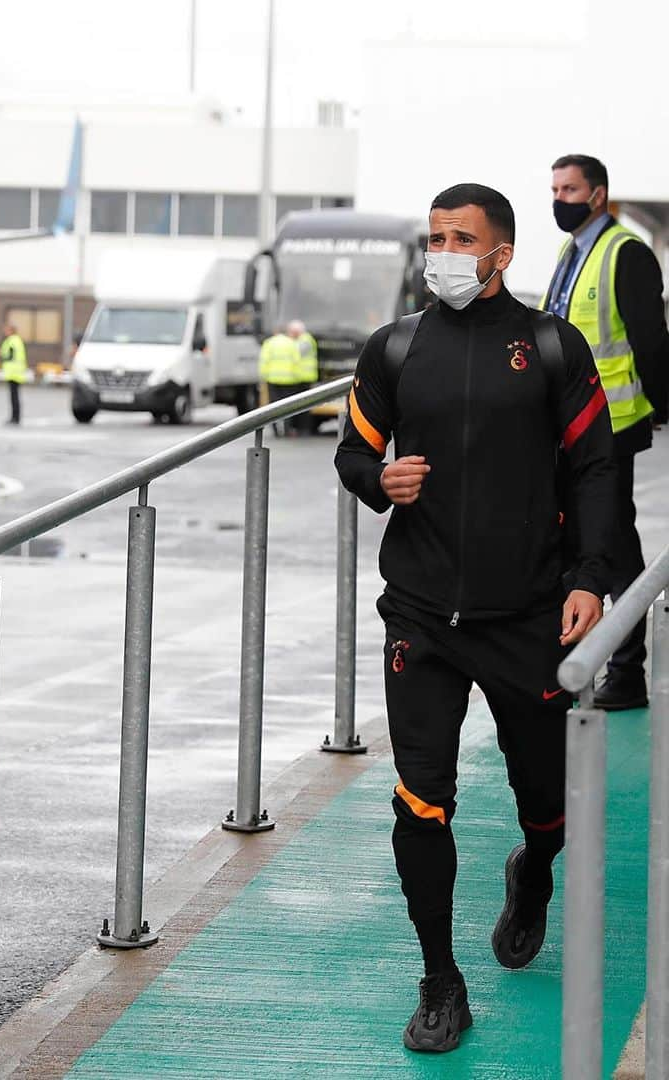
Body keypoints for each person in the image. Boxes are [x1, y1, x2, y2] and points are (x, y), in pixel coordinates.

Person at [335, 183, 615, 1053]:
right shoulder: (395, 347)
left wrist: (591, 577)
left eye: (461, 238)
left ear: (500, 254)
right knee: (422, 800)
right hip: (420, 614)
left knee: (547, 808)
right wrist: (378, 481)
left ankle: (531, 875)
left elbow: (598, 467)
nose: (443, 252)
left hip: (528, 613)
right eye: (435, 237)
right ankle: (440, 980)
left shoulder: (552, 347)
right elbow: (353, 451)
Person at [543, 154, 669, 710]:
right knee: (573, 541)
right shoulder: (571, 253)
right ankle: (577, 662)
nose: (559, 199)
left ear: (597, 195)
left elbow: (652, 343)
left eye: (569, 189)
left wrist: (660, 408)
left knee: (614, 544)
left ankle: (625, 668)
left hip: (613, 426)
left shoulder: (626, 253)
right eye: (554, 188)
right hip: (567, 426)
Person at [258, 322, 300, 435]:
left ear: (275, 332)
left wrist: (264, 376)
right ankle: (286, 428)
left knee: (273, 404)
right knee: (288, 405)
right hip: (289, 379)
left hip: (273, 379)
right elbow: (297, 361)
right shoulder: (292, 343)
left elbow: (264, 361)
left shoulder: (269, 343)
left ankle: (275, 430)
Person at [289, 318, 319, 434]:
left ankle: (304, 428)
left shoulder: (305, 340)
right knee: (300, 405)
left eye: (292, 332)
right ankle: (300, 427)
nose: (291, 334)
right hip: (298, 377)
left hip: (305, 377)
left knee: (304, 406)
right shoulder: (302, 339)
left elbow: (297, 353)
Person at [0, 322, 28, 424]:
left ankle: (15, 418)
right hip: (17, 372)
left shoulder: (12, 341)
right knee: (15, 397)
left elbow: (10, 356)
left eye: (6, 330)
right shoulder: (17, 340)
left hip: (13, 373)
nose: (4, 332)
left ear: (11, 331)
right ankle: (16, 417)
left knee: (14, 397)